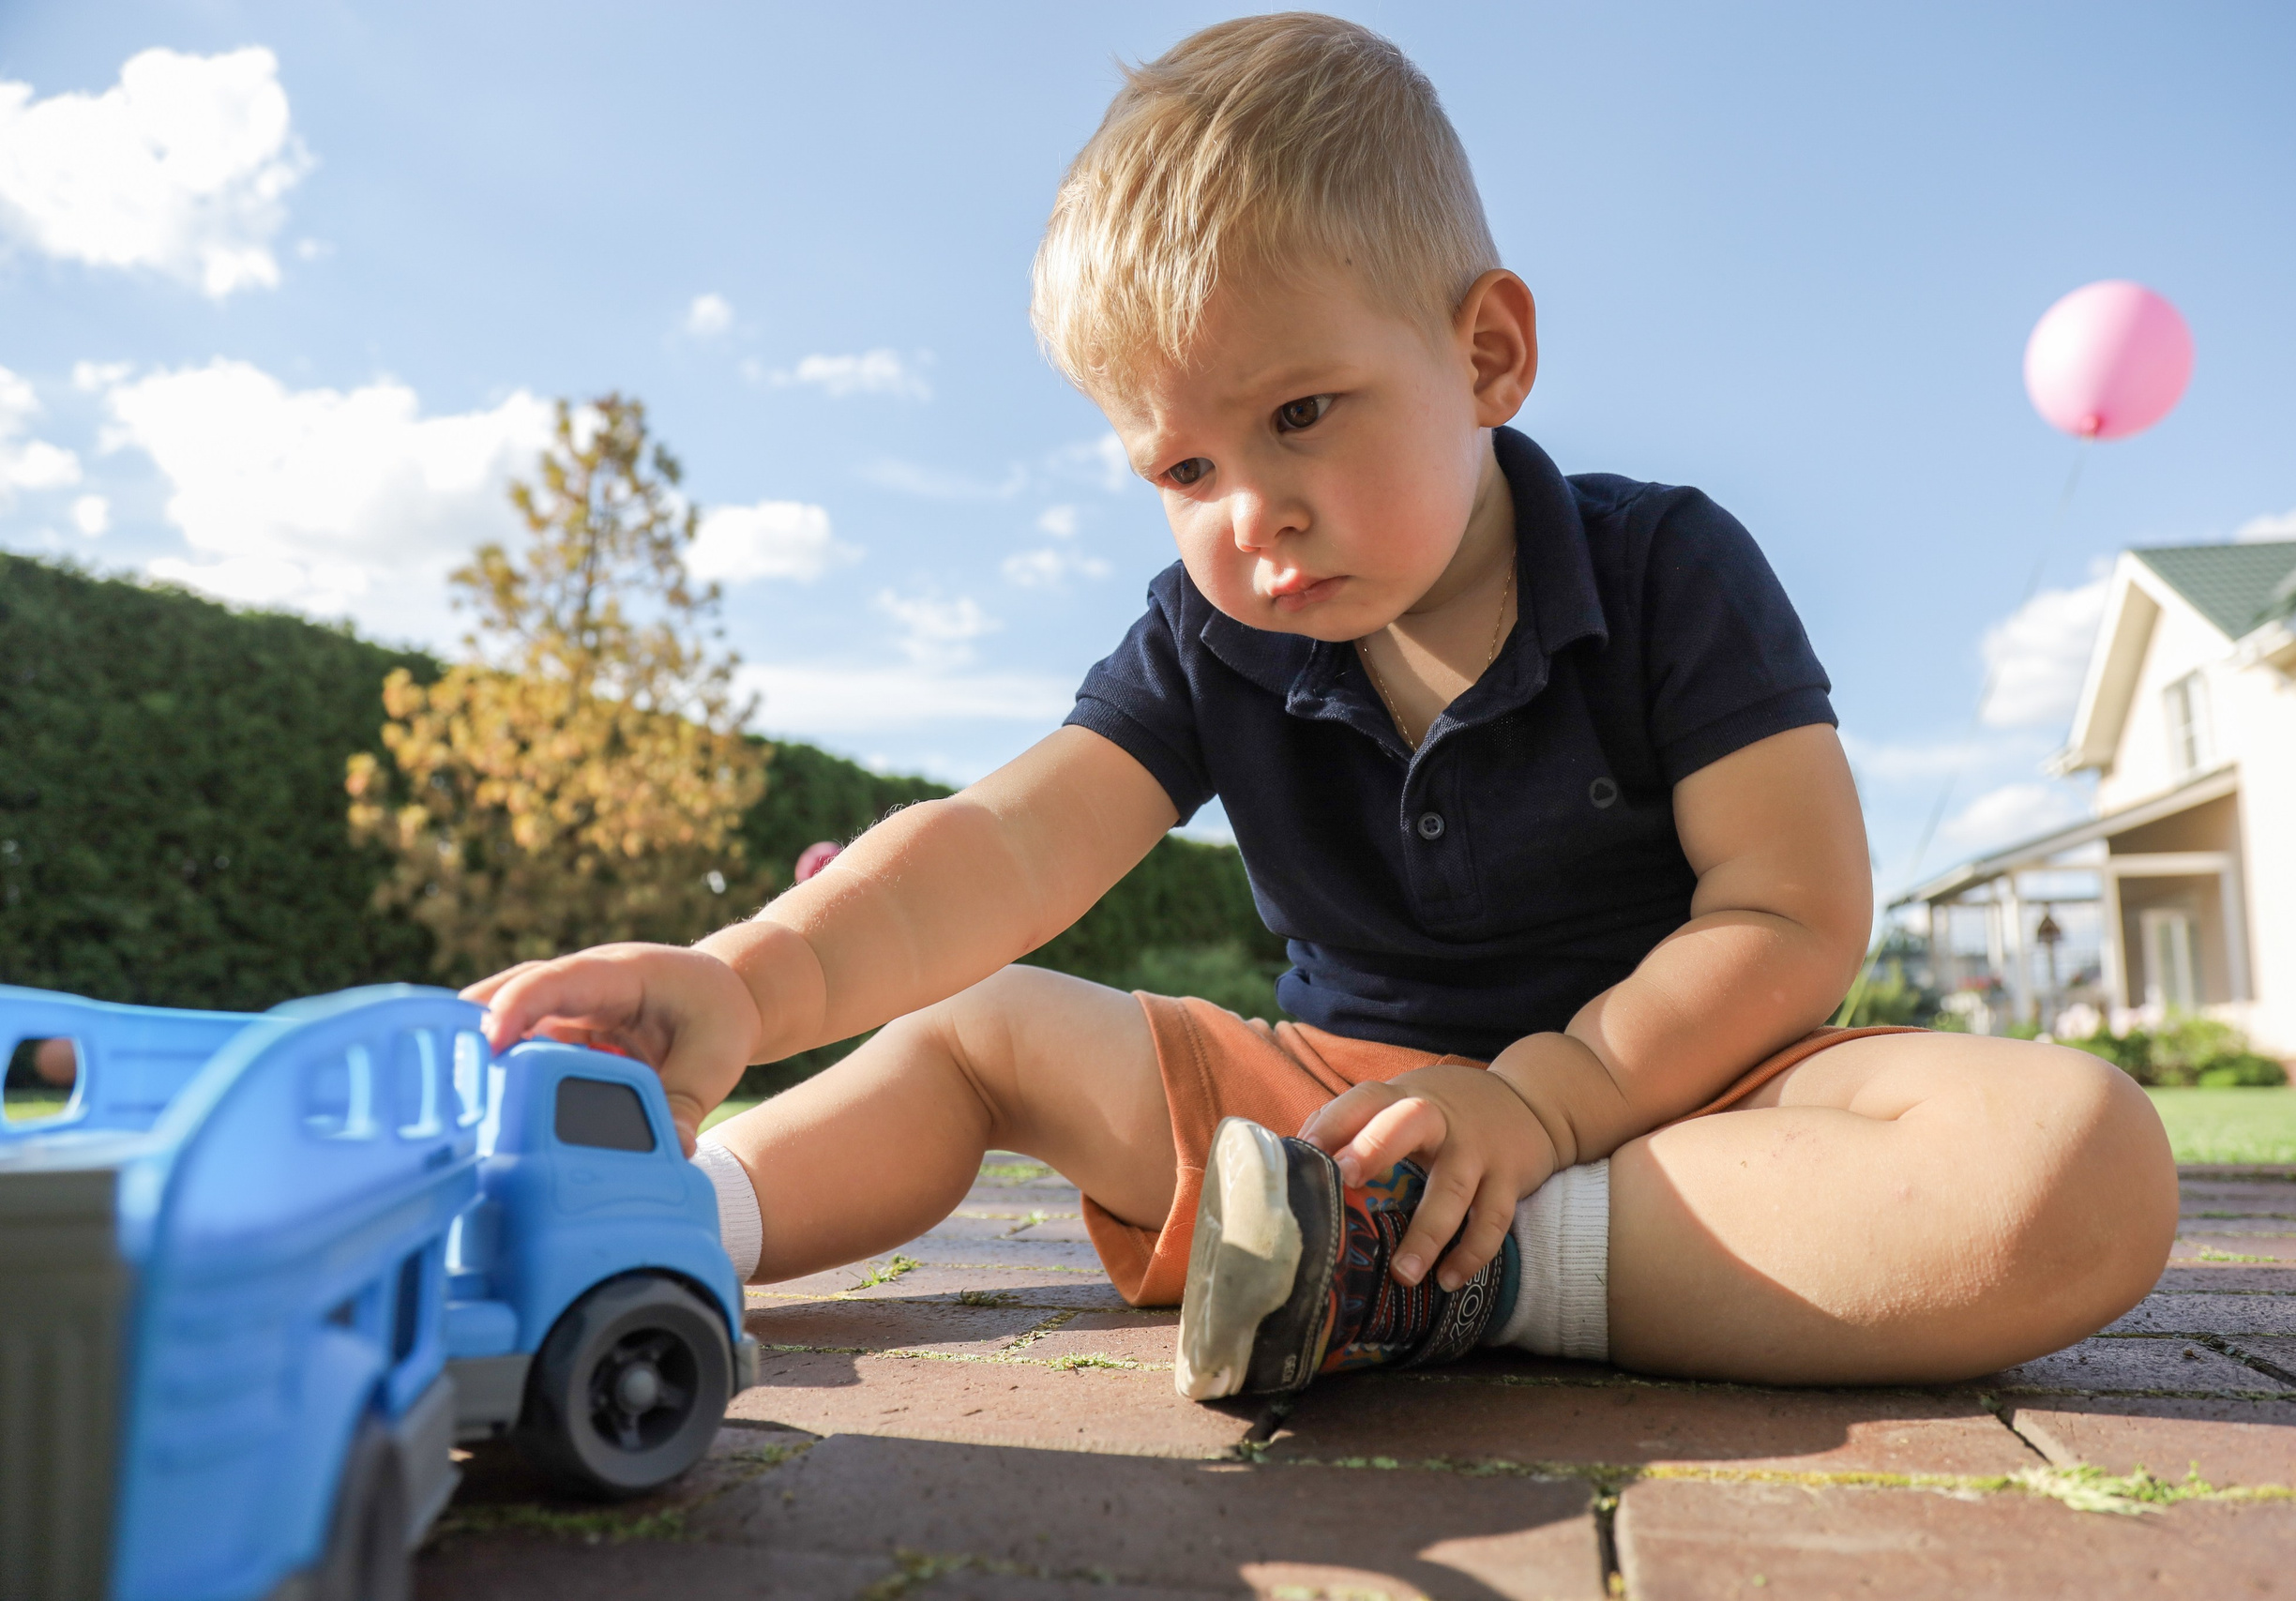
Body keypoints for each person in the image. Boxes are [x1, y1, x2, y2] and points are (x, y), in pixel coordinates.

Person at [469, 13, 2175, 1397]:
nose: (1250, 515)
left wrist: (1545, 1105)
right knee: (977, 1026)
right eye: (1184, 468)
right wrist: (747, 980)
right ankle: (639, 1232)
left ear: (1487, 356)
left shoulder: (1667, 566)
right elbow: (1001, 843)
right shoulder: (1211, 637)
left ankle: (1453, 1280)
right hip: (1321, 1128)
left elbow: (1790, 912)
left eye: (1299, 414)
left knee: (2072, 1156)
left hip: (1680, 1116)